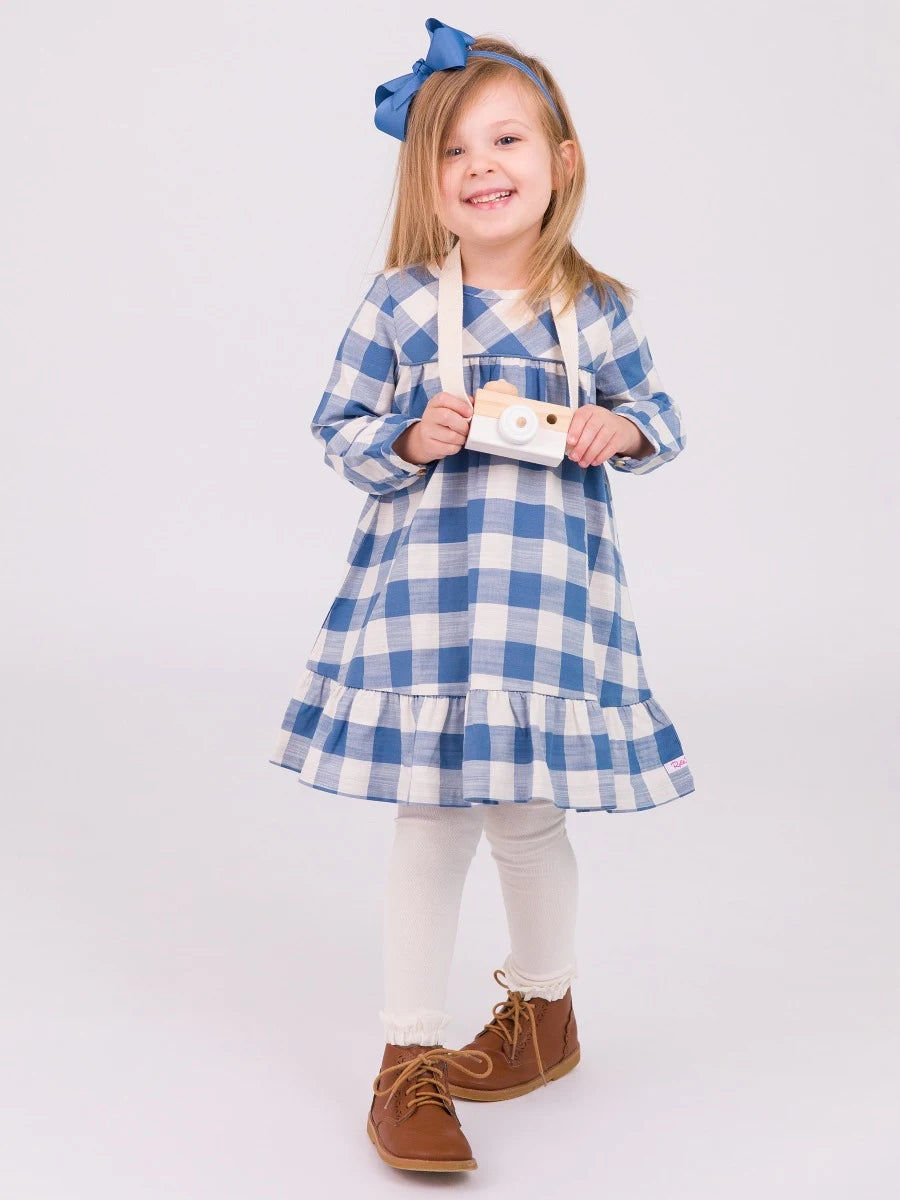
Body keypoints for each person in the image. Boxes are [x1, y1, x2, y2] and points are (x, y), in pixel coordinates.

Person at [270, 17, 697, 1174]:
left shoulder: (596, 308)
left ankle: (544, 1014)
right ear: (427, 179)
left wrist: (619, 429)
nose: (480, 166)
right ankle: (406, 1058)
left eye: (505, 140)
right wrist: (410, 437)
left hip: (550, 607)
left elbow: (659, 420)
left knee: (527, 813)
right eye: (452, 151)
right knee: (433, 815)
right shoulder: (404, 304)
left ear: (562, 160)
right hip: (429, 606)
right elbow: (340, 428)